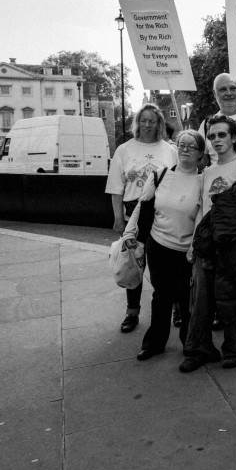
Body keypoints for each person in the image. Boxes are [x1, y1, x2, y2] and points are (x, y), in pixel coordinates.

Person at [180, 115, 236, 372]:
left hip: (235, 248)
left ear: (234, 137)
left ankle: (234, 349)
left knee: (232, 303)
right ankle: (198, 350)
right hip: (208, 247)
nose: (216, 140)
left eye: (222, 135)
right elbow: (202, 211)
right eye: (212, 135)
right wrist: (193, 244)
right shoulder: (207, 172)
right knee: (202, 303)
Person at [123, 130, 204, 361]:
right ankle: (154, 343)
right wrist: (130, 232)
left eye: (191, 146)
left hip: (186, 251)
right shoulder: (160, 174)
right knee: (161, 296)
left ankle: (189, 345)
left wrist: (194, 247)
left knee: (186, 298)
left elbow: (202, 216)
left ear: (200, 154)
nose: (185, 149)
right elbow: (142, 204)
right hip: (158, 246)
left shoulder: (203, 181)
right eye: (181, 144)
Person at [105, 104, 178, 333]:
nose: (147, 125)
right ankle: (132, 311)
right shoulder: (124, 150)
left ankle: (176, 308)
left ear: (159, 124)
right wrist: (118, 219)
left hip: (162, 214)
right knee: (133, 263)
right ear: (137, 123)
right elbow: (116, 187)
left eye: (152, 121)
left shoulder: (169, 150)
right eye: (143, 120)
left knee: (167, 265)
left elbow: (179, 181)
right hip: (132, 215)